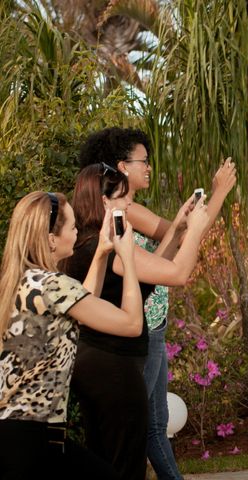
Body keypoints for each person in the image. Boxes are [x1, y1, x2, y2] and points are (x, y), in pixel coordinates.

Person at [76, 127, 235, 479]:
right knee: (142, 428)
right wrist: (217, 196)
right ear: (122, 167)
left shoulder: (116, 220)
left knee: (153, 423)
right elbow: (178, 267)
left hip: (145, 327)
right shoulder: (117, 222)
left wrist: (180, 227)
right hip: (130, 338)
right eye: (143, 161)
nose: (149, 167)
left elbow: (162, 260)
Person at [0, 191, 143, 479]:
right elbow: (132, 324)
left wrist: (102, 252)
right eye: (72, 227)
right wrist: (128, 258)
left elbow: (82, 304)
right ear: (51, 238)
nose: (78, 232)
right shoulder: (54, 285)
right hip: (36, 441)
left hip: (12, 436)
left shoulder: (20, 282)